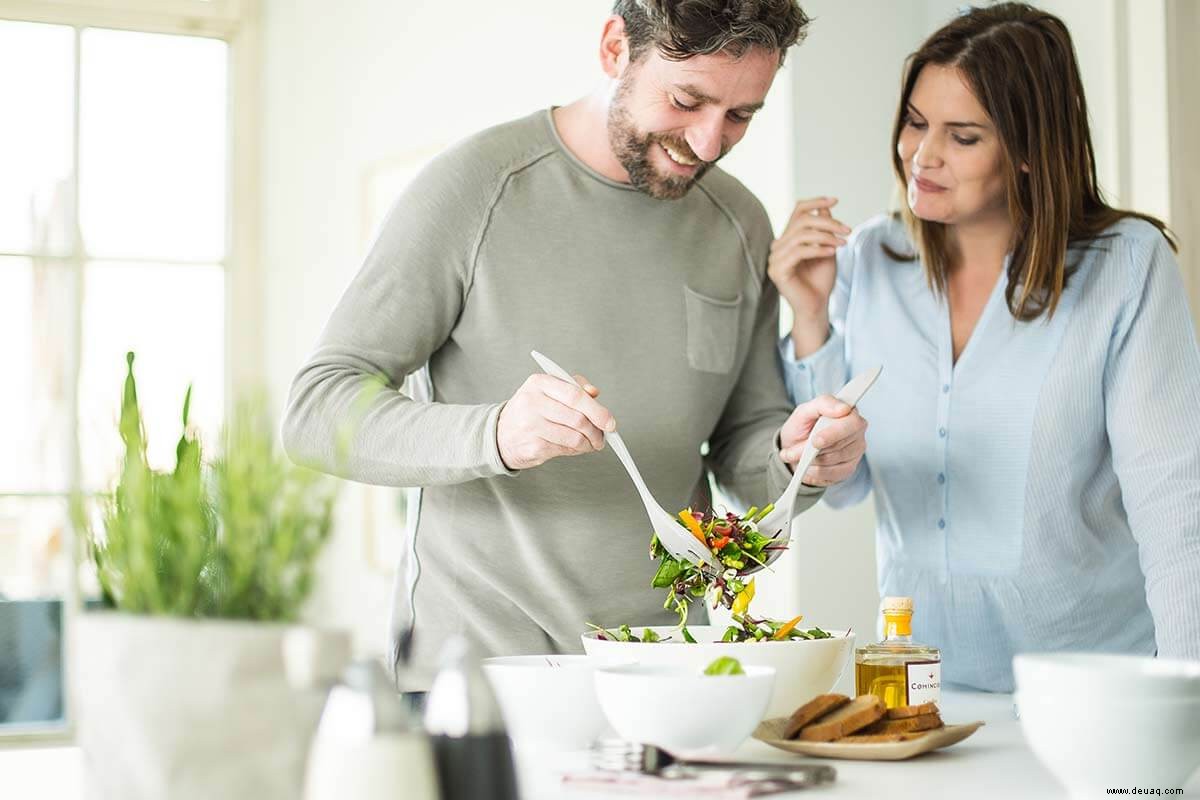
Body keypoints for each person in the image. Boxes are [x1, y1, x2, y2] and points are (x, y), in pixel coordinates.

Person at [282, 0, 868, 687]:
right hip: (476, 676)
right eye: (687, 100)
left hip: (668, 673)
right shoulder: (473, 189)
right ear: (616, 47)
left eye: (741, 116)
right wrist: (496, 434)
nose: (709, 143)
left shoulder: (737, 221)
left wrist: (799, 460)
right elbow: (315, 413)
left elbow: (743, 455)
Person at [771, 2, 1200, 692]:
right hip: (917, 683)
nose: (923, 155)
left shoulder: (1125, 265)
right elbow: (839, 491)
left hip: (1095, 682)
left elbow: (1176, 500)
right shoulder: (868, 259)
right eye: (915, 122)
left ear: (1031, 149)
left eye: (963, 136)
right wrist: (811, 316)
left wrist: (1187, 691)